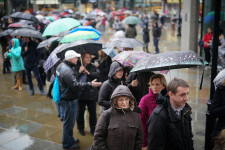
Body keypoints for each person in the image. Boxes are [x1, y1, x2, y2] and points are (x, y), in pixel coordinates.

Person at [57, 50, 101, 150]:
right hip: (72, 97)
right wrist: (82, 75)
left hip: (85, 96)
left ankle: (70, 139)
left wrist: (88, 73)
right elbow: (75, 84)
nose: (77, 59)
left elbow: (98, 74)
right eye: (76, 58)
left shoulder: (63, 66)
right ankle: (68, 143)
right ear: (71, 59)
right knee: (70, 122)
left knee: (71, 122)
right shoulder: (69, 69)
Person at [92, 85, 144, 150]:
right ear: (115, 101)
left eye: (126, 99)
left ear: (130, 100)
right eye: (121, 100)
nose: (124, 102)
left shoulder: (136, 116)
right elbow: (98, 139)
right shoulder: (106, 115)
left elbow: (139, 137)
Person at [148, 78, 193, 150]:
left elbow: (189, 138)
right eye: (182, 95)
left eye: (187, 94)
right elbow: (155, 147)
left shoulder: (185, 110)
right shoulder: (158, 116)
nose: (186, 98)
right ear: (171, 94)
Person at [139, 74, 167, 150]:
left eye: (157, 84)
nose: (154, 87)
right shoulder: (145, 99)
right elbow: (141, 122)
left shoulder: (169, 98)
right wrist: (144, 143)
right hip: (151, 139)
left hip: (167, 139)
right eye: (152, 84)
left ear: (163, 86)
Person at [76, 52, 100, 136]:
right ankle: (81, 128)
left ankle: (93, 129)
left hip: (91, 94)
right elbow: (73, 79)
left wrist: (88, 72)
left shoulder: (93, 66)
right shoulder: (77, 66)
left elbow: (98, 75)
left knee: (93, 113)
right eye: (86, 57)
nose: (89, 59)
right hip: (80, 94)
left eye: (89, 57)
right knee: (80, 113)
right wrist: (79, 71)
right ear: (82, 58)